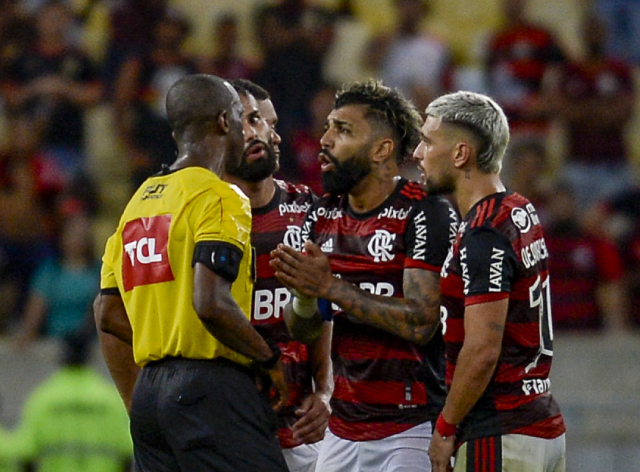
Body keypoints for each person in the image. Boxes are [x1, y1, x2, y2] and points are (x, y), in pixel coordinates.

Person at [93, 74, 289, 472]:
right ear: (223, 122)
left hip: (150, 396)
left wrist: (167, 338)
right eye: (239, 117)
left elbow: (107, 313)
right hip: (211, 392)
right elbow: (210, 301)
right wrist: (269, 361)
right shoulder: (219, 197)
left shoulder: (139, 203)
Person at [271, 79, 459, 472]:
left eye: (342, 130)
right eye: (327, 127)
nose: (324, 140)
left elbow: (421, 323)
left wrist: (330, 287)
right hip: (342, 427)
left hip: (411, 427)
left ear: (381, 149)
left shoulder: (425, 212)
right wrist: (306, 296)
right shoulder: (321, 215)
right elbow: (304, 330)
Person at [413, 91, 566, 472]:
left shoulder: (484, 232)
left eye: (428, 141)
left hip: (500, 432)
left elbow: (482, 349)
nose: (417, 152)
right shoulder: (518, 209)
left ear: (461, 154)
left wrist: (445, 428)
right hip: (538, 423)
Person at [225, 78, 332, 472]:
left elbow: (326, 310)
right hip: (228, 428)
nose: (261, 134)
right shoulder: (199, 214)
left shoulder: (308, 209)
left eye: (265, 122)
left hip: (302, 432)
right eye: (246, 122)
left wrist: (325, 391)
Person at [2, 330, 132, 472]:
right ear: (89, 356)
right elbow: (127, 453)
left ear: (61, 355)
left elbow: (25, 453)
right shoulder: (110, 399)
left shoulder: (43, 399)